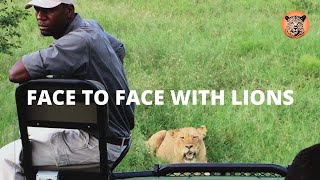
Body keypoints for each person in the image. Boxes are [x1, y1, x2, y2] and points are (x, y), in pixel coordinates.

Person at [0, 0, 135, 179]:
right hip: (111, 135)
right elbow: (119, 49)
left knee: (6, 158)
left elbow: (16, 73)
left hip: (100, 145)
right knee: (30, 133)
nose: (40, 16)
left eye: (48, 10)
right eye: (37, 10)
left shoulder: (77, 41)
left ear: (69, 11)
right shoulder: (91, 26)